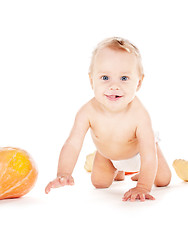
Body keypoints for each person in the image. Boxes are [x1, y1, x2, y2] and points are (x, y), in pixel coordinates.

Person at [45, 37, 171, 201]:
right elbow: (73, 144)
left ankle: (137, 173)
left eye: (124, 78)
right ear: (92, 81)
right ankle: (117, 171)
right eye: (105, 78)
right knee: (99, 183)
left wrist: (142, 186)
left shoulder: (139, 115)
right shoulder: (87, 112)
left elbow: (148, 155)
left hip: (140, 154)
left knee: (163, 180)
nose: (114, 86)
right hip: (108, 155)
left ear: (139, 83)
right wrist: (64, 173)